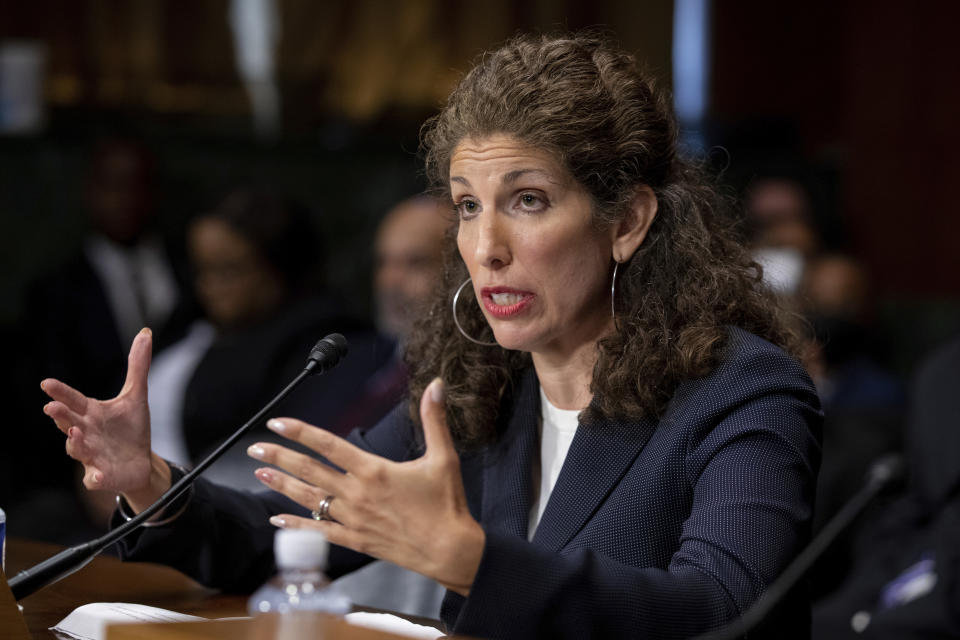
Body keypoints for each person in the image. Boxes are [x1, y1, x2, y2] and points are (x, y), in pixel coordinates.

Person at [40, 34, 822, 639]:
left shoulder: (741, 391)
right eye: (468, 205)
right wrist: (147, 480)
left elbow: (725, 610)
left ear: (626, 222)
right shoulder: (478, 384)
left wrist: (471, 563)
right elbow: (275, 542)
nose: (485, 249)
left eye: (528, 200)